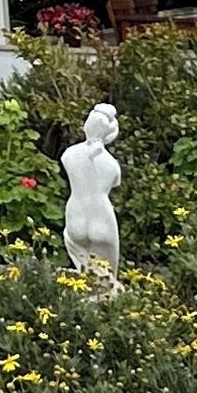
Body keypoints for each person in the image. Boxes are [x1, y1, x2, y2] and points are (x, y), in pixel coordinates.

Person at [61, 100, 122, 278]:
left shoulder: (69, 154)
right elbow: (114, 183)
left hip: (76, 213)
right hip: (101, 217)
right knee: (108, 278)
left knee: (84, 274)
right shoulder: (111, 165)